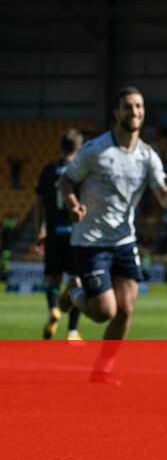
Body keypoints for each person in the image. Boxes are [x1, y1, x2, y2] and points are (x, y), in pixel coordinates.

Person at [58, 87, 167, 381]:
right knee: (104, 312)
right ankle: (74, 291)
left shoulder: (148, 156)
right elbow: (66, 180)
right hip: (91, 240)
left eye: (139, 106)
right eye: (128, 107)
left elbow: (166, 202)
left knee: (126, 309)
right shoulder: (96, 150)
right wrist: (73, 205)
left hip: (124, 240)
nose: (134, 111)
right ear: (117, 113)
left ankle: (103, 368)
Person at [33, 128, 86, 341]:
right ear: (79, 147)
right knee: (76, 280)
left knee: (53, 278)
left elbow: (39, 203)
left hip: (54, 232)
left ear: (61, 146)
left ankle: (54, 309)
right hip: (76, 233)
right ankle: (72, 331)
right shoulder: (81, 170)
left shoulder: (49, 170)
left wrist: (40, 229)